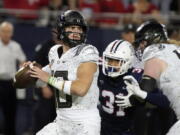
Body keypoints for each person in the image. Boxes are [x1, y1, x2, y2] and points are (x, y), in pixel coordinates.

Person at [24, 10, 101, 135]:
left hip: (84, 123)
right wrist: (30, 71)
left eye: (79, 28)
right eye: (72, 27)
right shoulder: (54, 52)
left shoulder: (88, 52)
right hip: (61, 122)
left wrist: (49, 78)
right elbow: (40, 82)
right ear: (61, 30)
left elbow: (81, 89)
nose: (76, 31)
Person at [98, 39, 170, 135]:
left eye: (116, 62)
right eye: (109, 60)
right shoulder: (99, 70)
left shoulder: (136, 77)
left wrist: (142, 95)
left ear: (128, 62)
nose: (111, 65)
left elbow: (166, 101)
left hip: (126, 130)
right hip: (101, 127)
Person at [123, 20, 180, 135]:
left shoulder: (154, 53)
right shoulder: (174, 48)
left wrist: (131, 100)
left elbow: (145, 89)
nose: (140, 47)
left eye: (142, 42)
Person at [0, 21, 26, 135]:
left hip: (10, 84)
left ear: (12, 33)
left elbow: (23, 61)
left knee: (10, 113)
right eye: (4, 31)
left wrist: (22, 68)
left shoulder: (16, 46)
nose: (6, 34)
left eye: (8, 32)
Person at [32, 28, 59, 133]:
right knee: (43, 120)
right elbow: (36, 67)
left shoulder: (69, 47)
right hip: (47, 88)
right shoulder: (45, 46)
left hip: (61, 91)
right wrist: (44, 86)